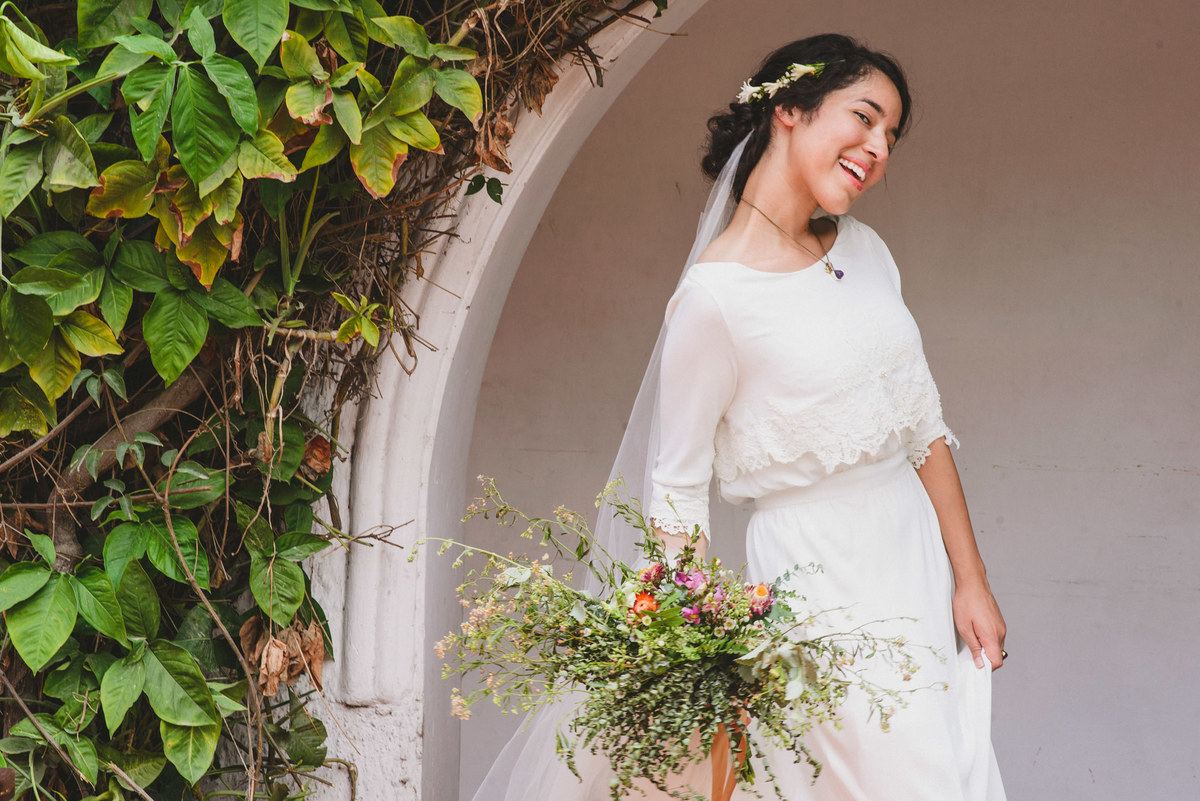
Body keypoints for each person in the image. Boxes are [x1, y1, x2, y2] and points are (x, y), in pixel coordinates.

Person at [470, 33, 1006, 801]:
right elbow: (677, 485)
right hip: (815, 586)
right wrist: (696, 640)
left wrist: (971, 580)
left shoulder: (868, 251)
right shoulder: (713, 301)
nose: (879, 146)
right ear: (789, 108)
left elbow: (923, 424)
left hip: (913, 556)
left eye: (891, 133)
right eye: (864, 116)